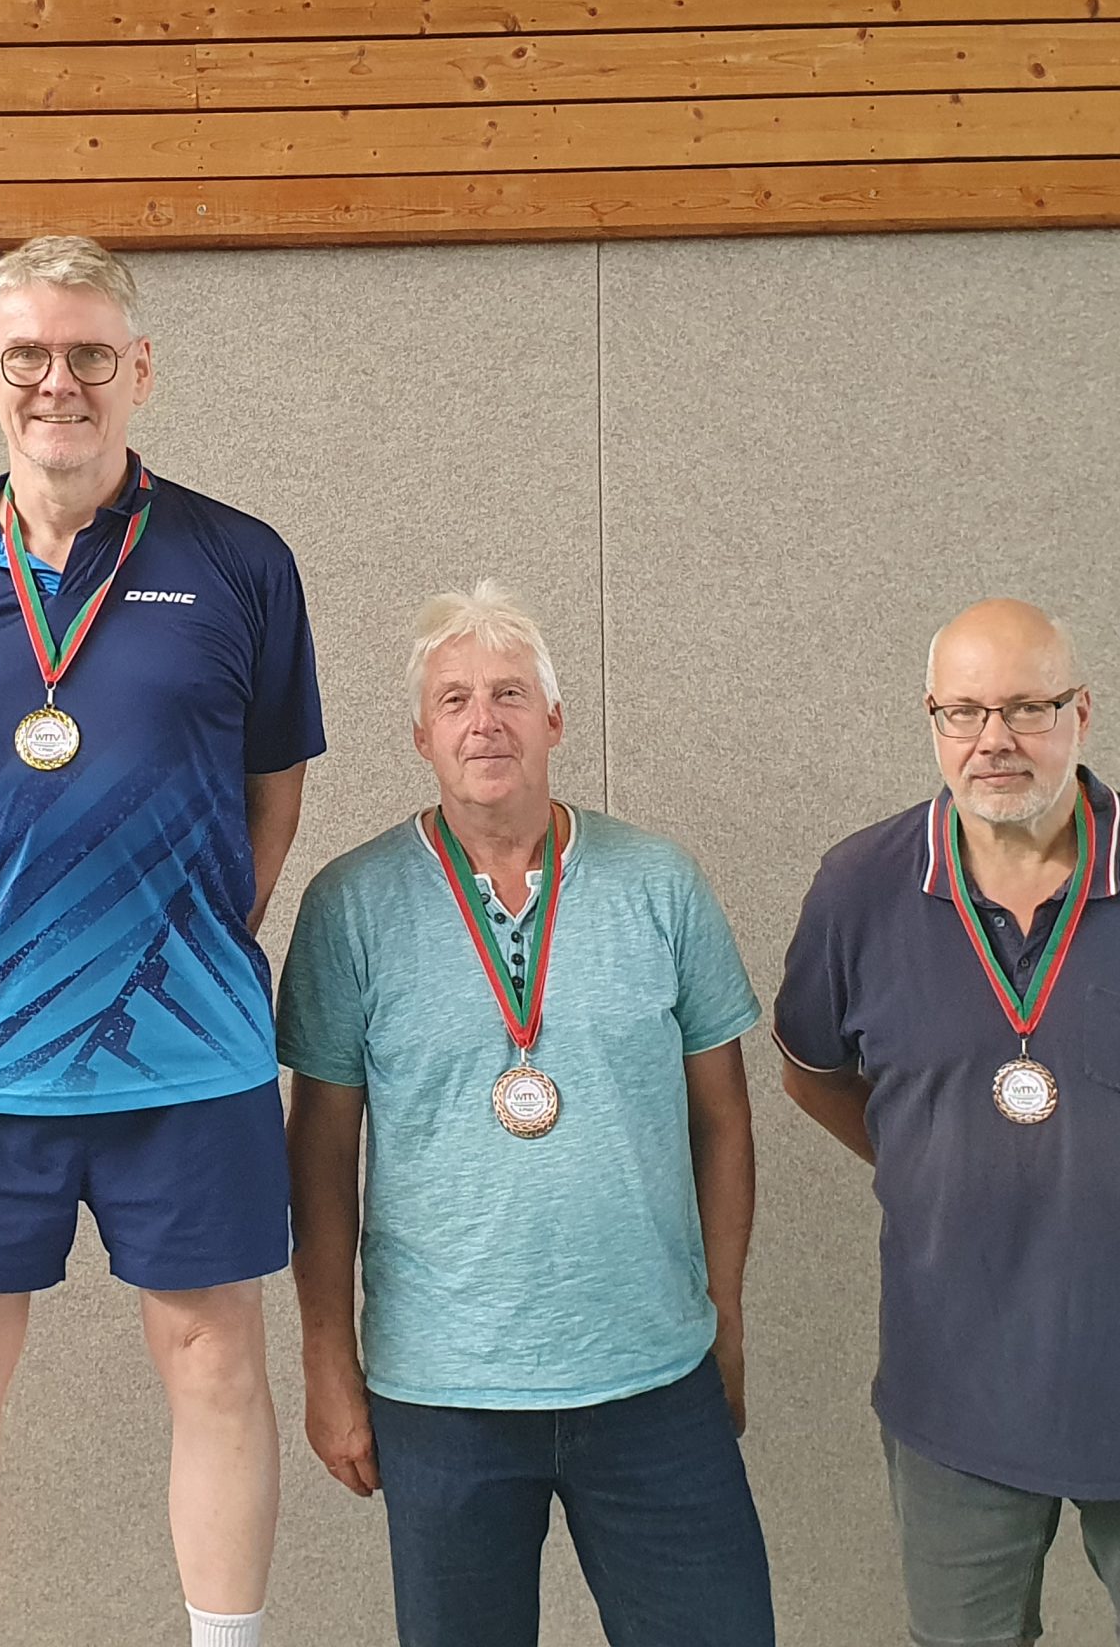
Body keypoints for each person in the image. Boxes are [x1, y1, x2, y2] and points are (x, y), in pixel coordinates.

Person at [0, 235, 325, 1647]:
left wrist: (181, 944)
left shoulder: (241, 563)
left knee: (214, 1360)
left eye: (89, 355)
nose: (58, 382)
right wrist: (3, 951)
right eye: (28, 355)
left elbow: (274, 791)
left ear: (140, 371)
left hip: (188, 1046)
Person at [775, 597, 1120, 1647]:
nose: (994, 741)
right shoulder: (858, 888)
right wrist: (930, 1163)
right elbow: (811, 1075)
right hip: (953, 1387)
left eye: (1028, 707)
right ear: (931, 720)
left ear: (1082, 713)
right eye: (964, 712)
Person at [278, 582, 775, 1647]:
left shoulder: (659, 884)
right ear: (421, 735)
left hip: (654, 1374)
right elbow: (319, 1155)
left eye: (509, 694)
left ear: (554, 718)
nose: (483, 721)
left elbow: (725, 1120)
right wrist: (326, 1360)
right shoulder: (351, 904)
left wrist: (724, 1317)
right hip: (441, 1391)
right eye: (453, 699)